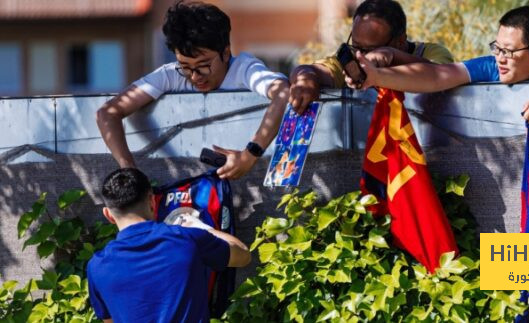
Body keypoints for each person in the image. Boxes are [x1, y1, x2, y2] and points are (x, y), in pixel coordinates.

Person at [96, 1, 289, 179]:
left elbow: (283, 93)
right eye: (186, 67)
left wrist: (250, 154)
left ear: (226, 52)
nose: (195, 76)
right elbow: (107, 113)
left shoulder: (244, 69)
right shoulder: (171, 75)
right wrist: (129, 168)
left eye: (203, 65)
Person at [346, 5, 529, 126]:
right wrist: (378, 76)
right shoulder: (491, 67)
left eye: (509, 51)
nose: (499, 57)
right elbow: (436, 76)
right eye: (497, 48)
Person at [87, 168, 251, 322]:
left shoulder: (96, 267)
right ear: (152, 201)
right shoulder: (188, 239)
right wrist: (201, 227)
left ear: (108, 215)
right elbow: (243, 255)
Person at [288, 0, 454, 112]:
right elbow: (311, 70)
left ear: (400, 41)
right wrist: (306, 79)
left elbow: (442, 75)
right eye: (356, 46)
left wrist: (392, 57)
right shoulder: (353, 59)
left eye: (370, 50)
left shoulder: (432, 53)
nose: (361, 55)